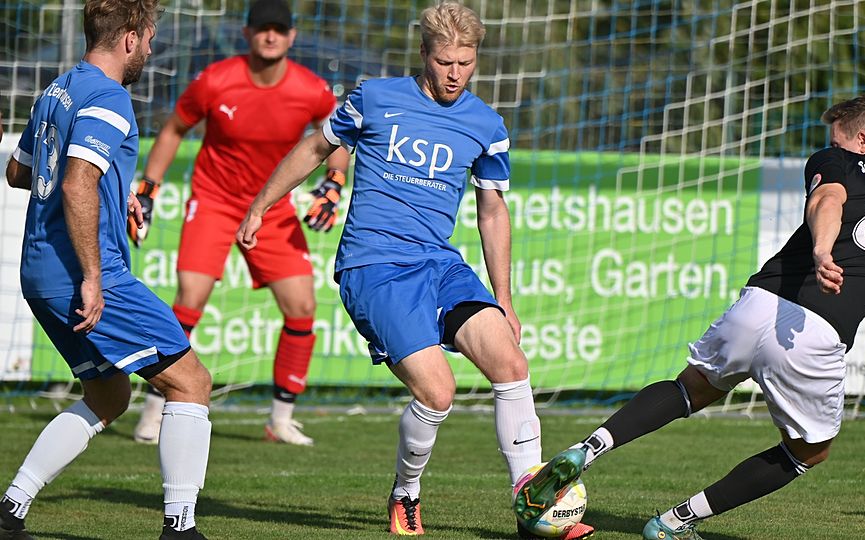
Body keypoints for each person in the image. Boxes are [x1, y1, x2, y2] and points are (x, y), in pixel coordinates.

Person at [236, 2, 594, 538]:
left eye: (466, 63)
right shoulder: (376, 98)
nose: (455, 74)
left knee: (510, 362)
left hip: (440, 264)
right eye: (446, 61)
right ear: (424, 54)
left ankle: (532, 505)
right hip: (373, 266)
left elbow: (492, 209)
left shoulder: (486, 125)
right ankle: (406, 493)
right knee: (438, 392)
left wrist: (506, 299)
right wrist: (261, 205)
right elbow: (315, 147)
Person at [514, 95, 865, 540]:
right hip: (815, 334)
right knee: (807, 454)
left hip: (760, 303)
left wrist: (820, 248)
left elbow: (829, 199)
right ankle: (673, 523)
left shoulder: (840, 161)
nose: (831, 147)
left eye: (837, 141)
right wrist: (834, 251)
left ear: (862, 139)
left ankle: (586, 449)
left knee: (690, 388)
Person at [1, 1, 213, 539]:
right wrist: (93, 277)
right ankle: (180, 528)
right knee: (190, 383)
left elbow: (19, 172)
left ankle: (10, 508)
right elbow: (75, 183)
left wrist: (115, 197)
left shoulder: (58, 90)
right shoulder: (109, 96)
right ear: (129, 38)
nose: (150, 49)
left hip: (39, 273)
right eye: (148, 39)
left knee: (109, 395)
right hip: (87, 275)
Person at [129, 0, 351, 446]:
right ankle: (155, 409)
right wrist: (149, 188)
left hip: (272, 206)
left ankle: (281, 419)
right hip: (213, 202)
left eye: (279, 29)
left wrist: (335, 180)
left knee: (302, 307)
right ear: (247, 34)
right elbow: (173, 129)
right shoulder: (216, 80)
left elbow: (337, 135)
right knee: (189, 297)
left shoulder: (311, 89)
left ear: (291, 37)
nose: (271, 35)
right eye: (262, 28)